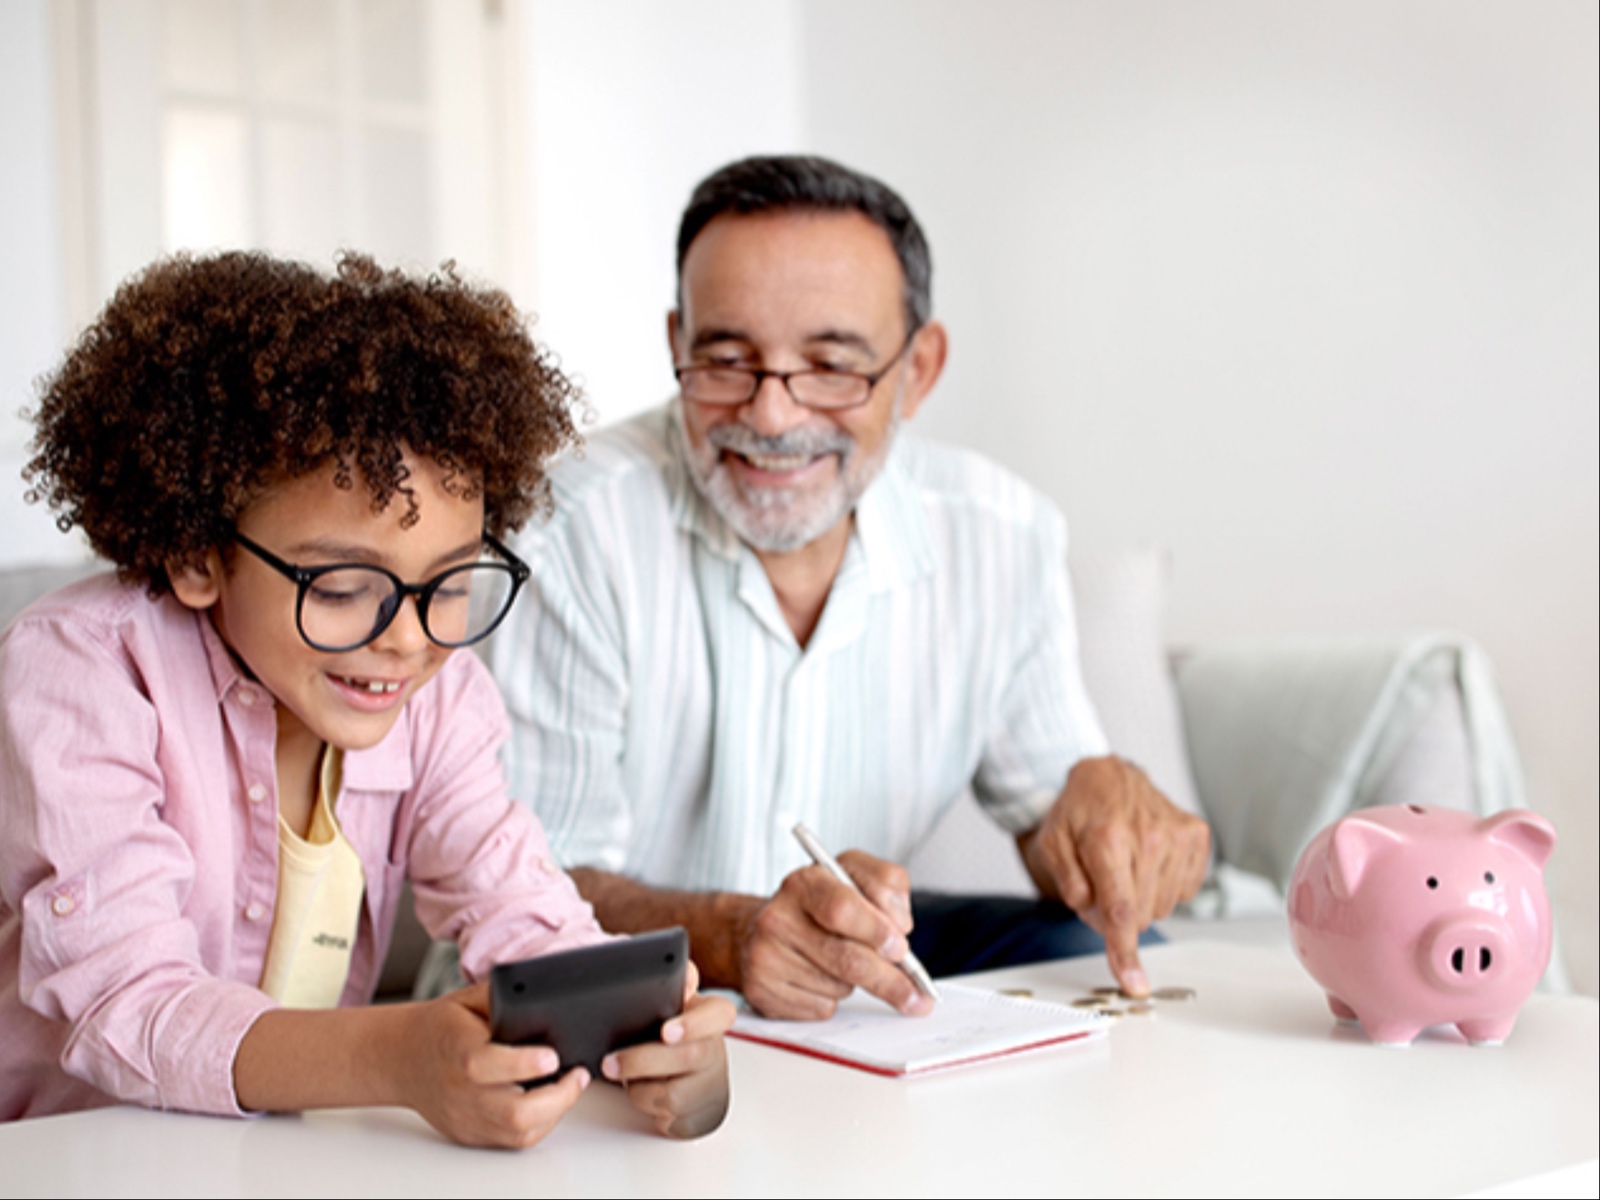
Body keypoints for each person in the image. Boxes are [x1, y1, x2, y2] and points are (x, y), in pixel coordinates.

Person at [0, 251, 732, 1143]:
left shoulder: (436, 696)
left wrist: (649, 1035)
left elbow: (520, 909)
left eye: (452, 582)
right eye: (345, 585)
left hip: (279, 1159)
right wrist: (394, 1057)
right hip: (63, 1155)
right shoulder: (84, 672)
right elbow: (125, 1005)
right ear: (197, 551)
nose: (410, 638)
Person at [490, 154, 1212, 1021]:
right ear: (677, 344)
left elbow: (1057, 812)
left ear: (919, 370)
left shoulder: (1004, 536)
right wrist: (733, 933)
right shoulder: (570, 529)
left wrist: (1103, 815)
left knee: (1087, 956)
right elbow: (521, 891)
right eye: (726, 359)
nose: (772, 416)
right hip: (619, 982)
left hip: (853, 957)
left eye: (831, 367)